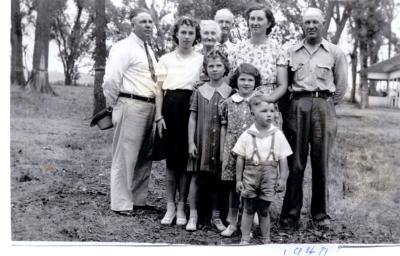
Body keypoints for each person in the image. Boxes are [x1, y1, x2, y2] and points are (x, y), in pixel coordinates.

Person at [280, 8, 348, 228]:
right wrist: (290, 108)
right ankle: (290, 215)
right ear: (302, 24)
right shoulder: (291, 51)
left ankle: (320, 214)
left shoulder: (335, 52)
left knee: (320, 163)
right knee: (295, 162)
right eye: (307, 22)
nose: (311, 26)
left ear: (323, 23)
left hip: (323, 105)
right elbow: (284, 83)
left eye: (315, 22)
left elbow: (341, 86)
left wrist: (325, 105)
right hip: (297, 104)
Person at [102, 8, 158, 214]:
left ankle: (138, 199)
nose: (148, 25)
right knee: (125, 156)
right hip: (130, 103)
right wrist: (113, 105)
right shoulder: (123, 47)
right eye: (143, 21)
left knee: (144, 155)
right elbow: (111, 79)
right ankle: (121, 204)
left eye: (150, 22)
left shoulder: (148, 49)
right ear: (132, 25)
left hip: (149, 106)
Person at [155, 16, 203, 226]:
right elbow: (158, 90)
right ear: (176, 34)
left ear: (195, 37)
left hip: (191, 108)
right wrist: (158, 115)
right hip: (170, 107)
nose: (186, 36)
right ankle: (170, 206)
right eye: (183, 32)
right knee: (171, 163)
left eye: (191, 33)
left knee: (185, 163)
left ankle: (182, 206)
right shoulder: (166, 59)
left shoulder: (201, 59)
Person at [232, 95, 292, 244]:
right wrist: (238, 180)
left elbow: (283, 159)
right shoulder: (247, 135)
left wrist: (283, 178)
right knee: (248, 208)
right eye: (264, 111)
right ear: (253, 114)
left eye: (272, 110)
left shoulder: (278, 135)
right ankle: (245, 238)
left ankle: (266, 239)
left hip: (269, 178)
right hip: (250, 177)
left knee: (264, 210)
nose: (269, 114)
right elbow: (240, 158)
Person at [186, 50, 232, 231]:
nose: (214, 69)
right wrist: (191, 142)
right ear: (205, 68)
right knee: (196, 177)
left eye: (218, 66)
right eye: (210, 66)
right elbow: (193, 118)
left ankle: (216, 216)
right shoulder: (199, 91)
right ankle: (193, 215)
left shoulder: (230, 92)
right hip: (201, 140)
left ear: (225, 68)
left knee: (218, 179)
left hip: (221, 144)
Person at [228, 3, 288, 128]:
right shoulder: (237, 49)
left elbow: (283, 85)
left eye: (260, 19)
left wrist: (269, 99)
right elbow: (231, 81)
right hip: (241, 104)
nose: (255, 22)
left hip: (267, 106)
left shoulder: (277, 49)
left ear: (269, 23)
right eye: (252, 18)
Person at [219, 63, 261, 237]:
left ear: (255, 82)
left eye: (250, 80)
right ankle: (232, 223)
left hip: (253, 151)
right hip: (233, 150)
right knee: (234, 188)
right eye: (242, 79)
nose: (246, 83)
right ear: (236, 81)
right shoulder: (228, 102)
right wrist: (223, 150)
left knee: (250, 188)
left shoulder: (259, 102)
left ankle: (248, 224)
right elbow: (223, 127)